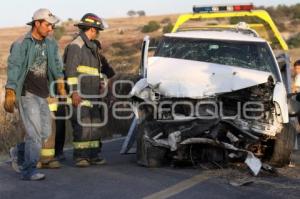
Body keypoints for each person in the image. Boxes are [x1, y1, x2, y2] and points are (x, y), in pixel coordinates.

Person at [4, 8, 66, 180]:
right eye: (48, 25)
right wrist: (10, 90)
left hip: (43, 94)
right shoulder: (21, 43)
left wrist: (60, 83)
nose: (50, 29)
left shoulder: (50, 43)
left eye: (52, 26)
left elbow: (55, 63)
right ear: (37, 23)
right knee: (34, 135)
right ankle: (28, 171)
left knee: (44, 133)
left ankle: (17, 151)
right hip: (26, 93)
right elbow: (14, 66)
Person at [64, 13, 115, 167]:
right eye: (97, 30)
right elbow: (70, 72)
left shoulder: (92, 48)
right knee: (83, 126)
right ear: (92, 29)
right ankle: (81, 157)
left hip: (93, 95)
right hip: (80, 95)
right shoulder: (76, 46)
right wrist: (74, 92)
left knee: (95, 127)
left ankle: (93, 155)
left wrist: (101, 82)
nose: (98, 33)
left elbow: (96, 72)